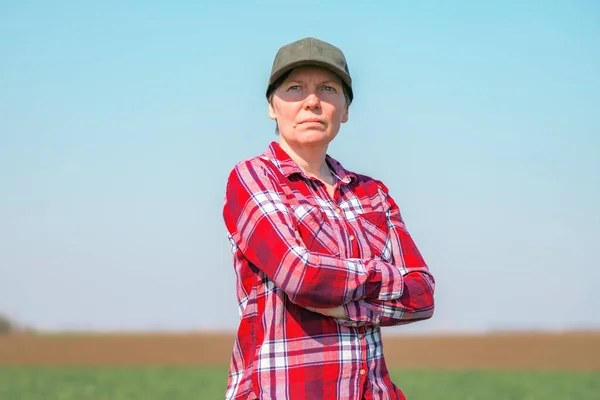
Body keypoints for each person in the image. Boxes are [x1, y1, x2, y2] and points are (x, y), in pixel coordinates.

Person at [222, 37, 435, 400]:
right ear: (272, 107)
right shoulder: (252, 178)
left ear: (346, 109)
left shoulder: (372, 193)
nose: (311, 102)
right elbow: (300, 274)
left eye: (327, 88)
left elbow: (422, 294)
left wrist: (343, 304)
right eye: (295, 88)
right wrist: (379, 280)